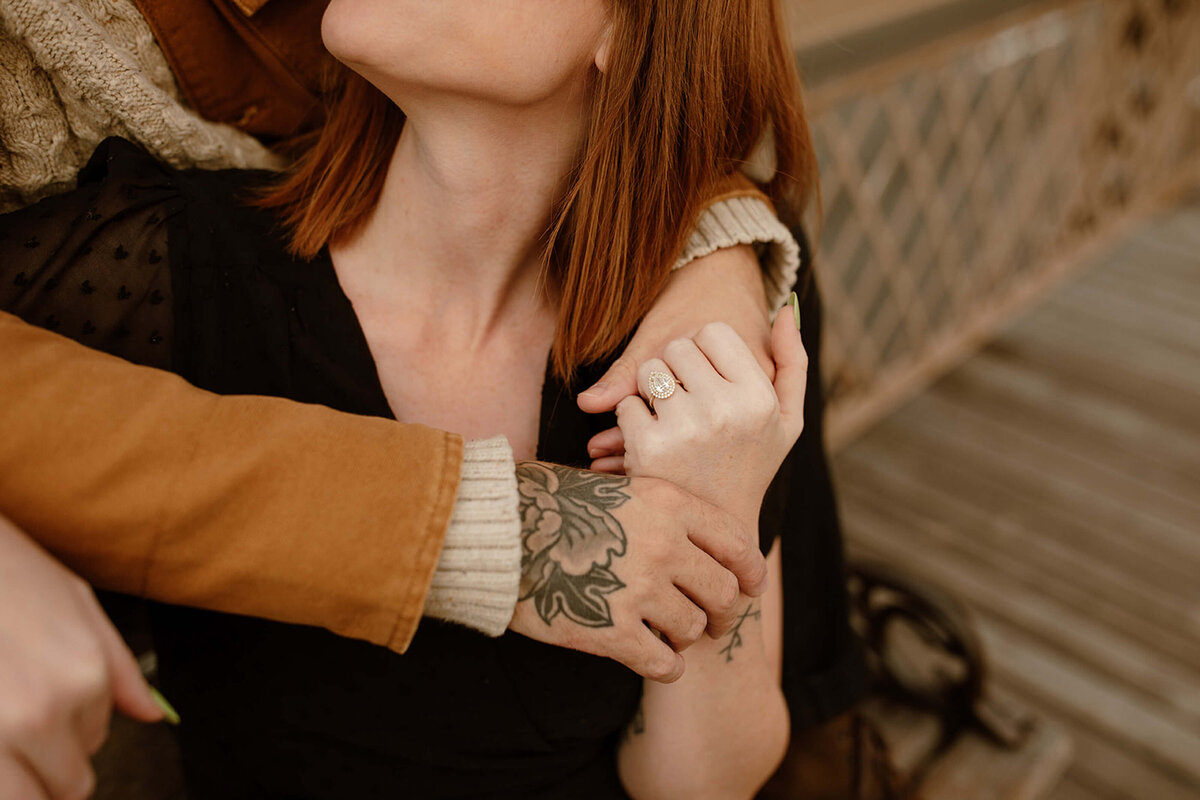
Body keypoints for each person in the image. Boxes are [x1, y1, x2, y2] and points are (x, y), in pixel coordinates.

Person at [0, 0, 869, 796]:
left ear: (631, 29)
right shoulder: (172, 267)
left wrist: (722, 498)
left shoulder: (680, 345)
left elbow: (692, 784)